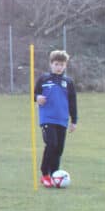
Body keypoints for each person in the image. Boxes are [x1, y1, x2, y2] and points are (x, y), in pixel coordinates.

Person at [35, 49, 78, 187]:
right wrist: (37, 98)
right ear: (51, 64)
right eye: (56, 64)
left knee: (59, 148)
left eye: (62, 65)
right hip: (47, 118)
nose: (59, 67)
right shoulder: (44, 79)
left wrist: (74, 120)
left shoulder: (68, 82)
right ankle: (45, 174)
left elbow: (72, 102)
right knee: (51, 144)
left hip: (62, 120)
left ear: (65, 66)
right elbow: (34, 94)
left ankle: (55, 174)